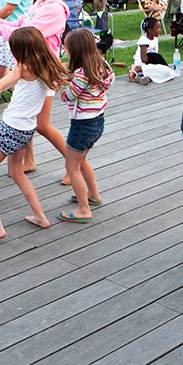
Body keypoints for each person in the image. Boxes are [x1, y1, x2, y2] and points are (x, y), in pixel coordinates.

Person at [0, 27, 70, 242]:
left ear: (20, 50)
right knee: (16, 172)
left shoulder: (23, 68)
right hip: (26, 129)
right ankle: (40, 216)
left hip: (11, 128)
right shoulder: (43, 68)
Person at [0, 0, 70, 174]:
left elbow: (30, 32)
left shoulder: (56, 9)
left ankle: (74, 165)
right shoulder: (39, 4)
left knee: (43, 125)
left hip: (44, 71)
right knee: (28, 117)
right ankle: (28, 160)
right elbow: (20, 22)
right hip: (29, 67)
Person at [59, 29, 114, 223]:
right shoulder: (101, 65)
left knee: (71, 166)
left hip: (82, 125)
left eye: (66, 47)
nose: (64, 50)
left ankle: (83, 209)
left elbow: (68, 95)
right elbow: (111, 80)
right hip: (97, 121)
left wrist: (63, 84)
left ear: (75, 50)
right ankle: (93, 195)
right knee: (81, 162)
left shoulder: (81, 74)